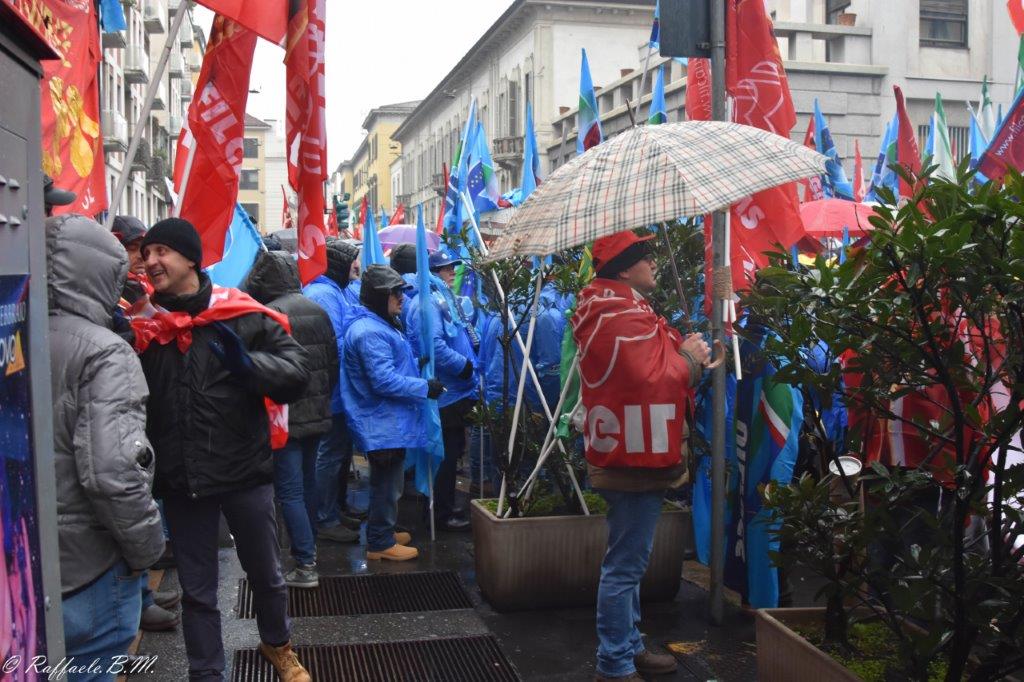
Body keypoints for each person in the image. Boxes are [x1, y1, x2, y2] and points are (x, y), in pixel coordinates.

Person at [133, 218, 311, 682]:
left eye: (161, 252)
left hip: (244, 473)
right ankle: (206, 672)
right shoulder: (145, 327)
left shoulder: (240, 313)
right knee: (197, 591)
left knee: (267, 575)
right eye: (146, 253)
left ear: (191, 258)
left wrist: (250, 366)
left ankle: (278, 644)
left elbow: (297, 374)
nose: (150, 261)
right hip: (182, 479)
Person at [571, 230, 710, 682]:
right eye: (645, 256)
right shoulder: (618, 314)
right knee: (625, 566)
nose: (653, 263)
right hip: (632, 456)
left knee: (627, 560)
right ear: (627, 268)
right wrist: (689, 359)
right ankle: (614, 663)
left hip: (627, 447)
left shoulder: (614, 307)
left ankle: (628, 646)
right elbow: (651, 379)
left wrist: (684, 355)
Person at [46, 214, 165, 680]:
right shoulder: (104, 351)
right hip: (89, 569)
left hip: (24, 569)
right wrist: (147, 550)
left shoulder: (11, 329)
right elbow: (115, 472)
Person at [244, 250, 338, 589]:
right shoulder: (318, 309)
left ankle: (305, 562)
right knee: (308, 484)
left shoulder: (269, 313)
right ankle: (309, 548)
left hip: (284, 417)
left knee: (290, 490)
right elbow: (332, 363)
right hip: (318, 412)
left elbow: (261, 370)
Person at [341, 265, 444, 561]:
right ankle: (380, 542)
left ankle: (381, 530)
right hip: (381, 422)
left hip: (386, 421)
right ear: (378, 296)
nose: (401, 298)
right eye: (394, 293)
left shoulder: (377, 324)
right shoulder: (370, 331)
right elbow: (383, 380)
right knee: (388, 485)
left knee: (387, 482)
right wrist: (424, 387)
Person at [405, 249, 478, 531]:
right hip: (445, 392)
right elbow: (434, 346)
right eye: (446, 268)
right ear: (433, 272)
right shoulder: (427, 303)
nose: (452, 272)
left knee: (451, 451)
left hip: (455, 391)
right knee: (443, 456)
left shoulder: (440, 296)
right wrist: (464, 366)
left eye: (453, 267)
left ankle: (443, 506)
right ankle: (441, 514)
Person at [303, 238, 364, 543]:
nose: (357, 265)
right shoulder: (324, 294)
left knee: (334, 454)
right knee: (328, 456)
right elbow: (336, 344)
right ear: (339, 263)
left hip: (334, 389)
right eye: (353, 258)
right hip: (331, 390)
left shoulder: (332, 290)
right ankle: (324, 519)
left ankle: (332, 511)